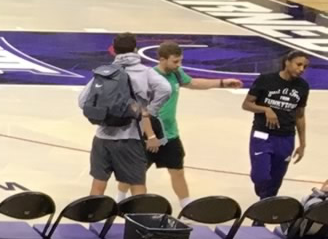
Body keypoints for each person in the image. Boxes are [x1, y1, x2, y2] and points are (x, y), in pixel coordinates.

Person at [147, 41, 244, 201]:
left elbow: (193, 83)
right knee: (135, 173)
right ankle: (120, 200)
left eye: (180, 61)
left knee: (177, 171)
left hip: (170, 133)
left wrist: (221, 83)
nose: (179, 65)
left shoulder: (176, 74)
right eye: (175, 61)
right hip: (149, 134)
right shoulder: (149, 78)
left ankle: (186, 207)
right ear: (162, 59)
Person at [78, 32, 171, 198]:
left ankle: (94, 218)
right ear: (135, 49)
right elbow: (165, 89)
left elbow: (82, 100)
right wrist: (149, 111)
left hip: (102, 138)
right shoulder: (145, 72)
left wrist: (104, 113)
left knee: (98, 184)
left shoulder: (105, 73)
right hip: (130, 138)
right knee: (137, 185)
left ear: (114, 50)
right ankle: (139, 220)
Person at [244, 50, 311, 198]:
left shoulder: (303, 87)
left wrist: (303, 144)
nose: (301, 69)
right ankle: (262, 194)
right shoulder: (266, 80)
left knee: (275, 181)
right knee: (260, 176)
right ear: (287, 62)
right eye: (298, 64)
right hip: (262, 134)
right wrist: (266, 109)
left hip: (286, 137)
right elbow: (247, 104)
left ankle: (261, 216)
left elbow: (300, 115)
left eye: (305, 67)